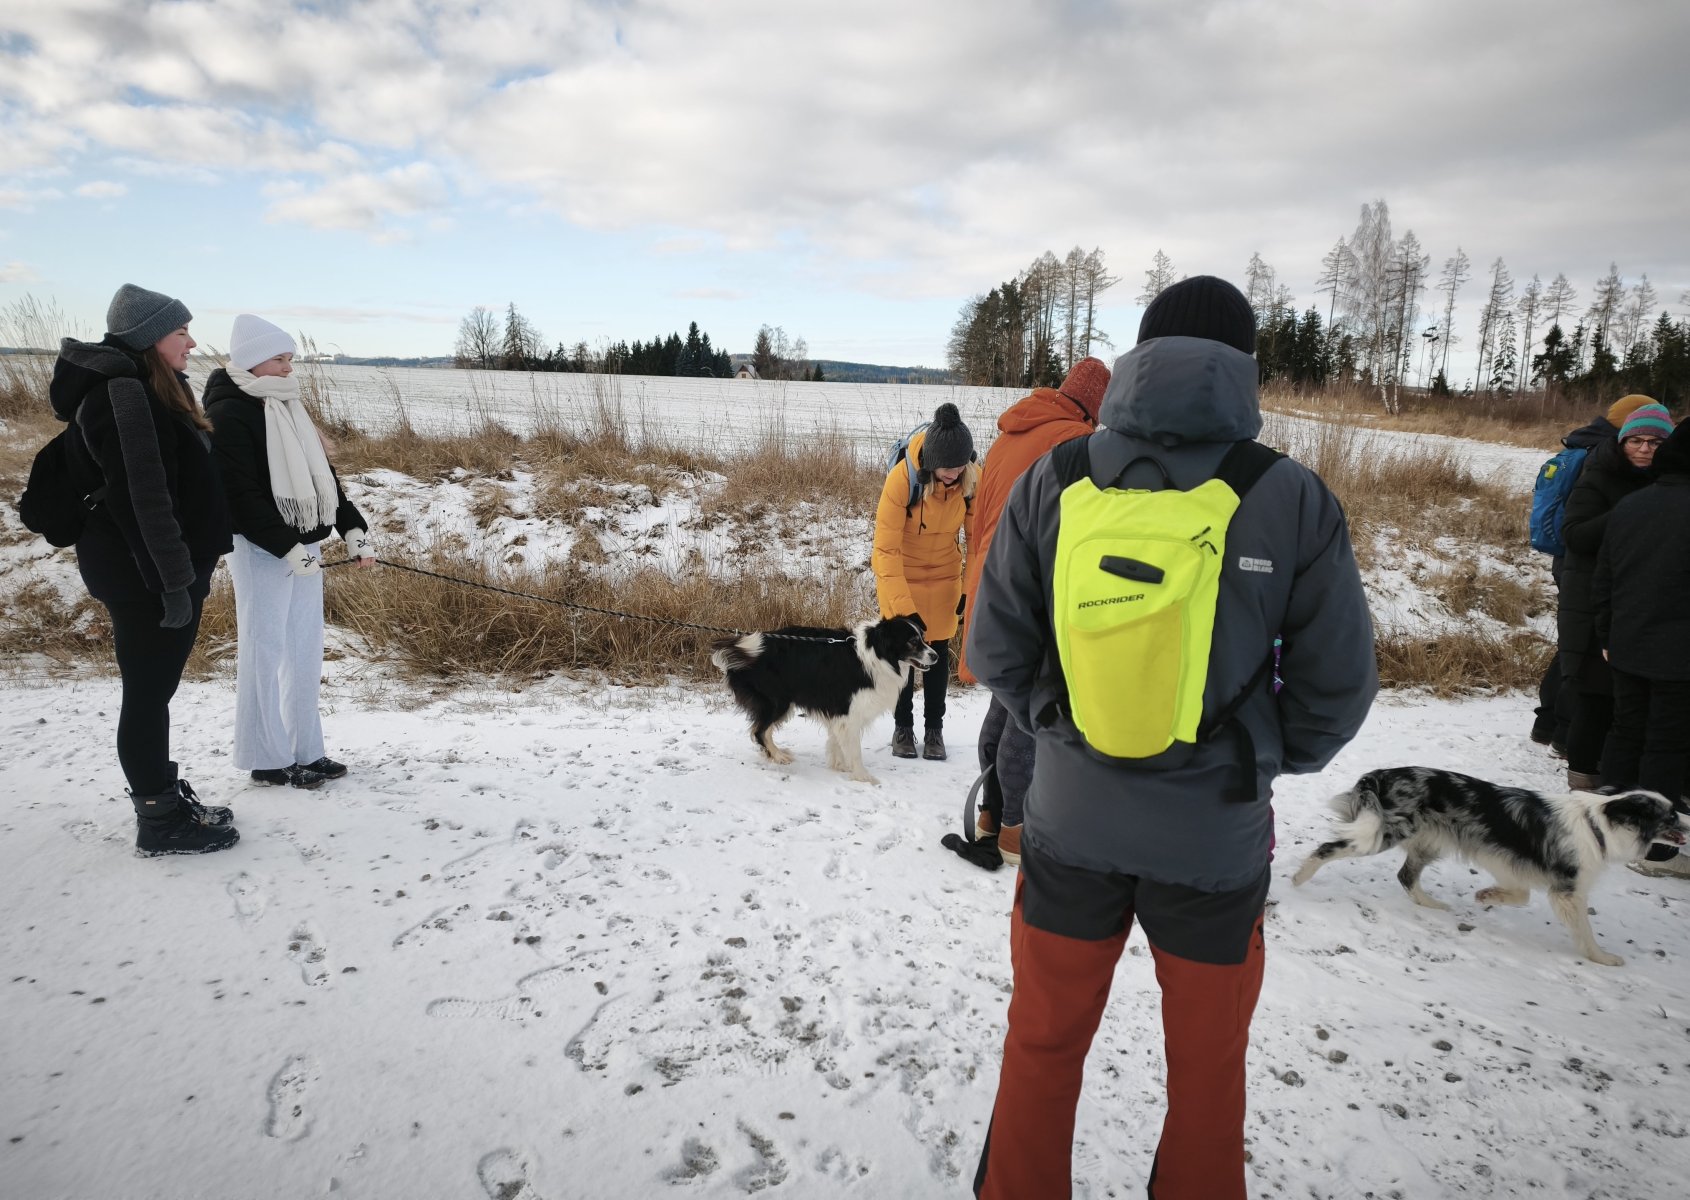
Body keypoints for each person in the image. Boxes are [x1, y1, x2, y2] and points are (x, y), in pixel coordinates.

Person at [966, 276, 1377, 1199]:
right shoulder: (1289, 495)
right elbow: (1337, 690)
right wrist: (1259, 754)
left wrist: (1062, 728)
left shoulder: (1055, 477)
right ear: (1245, 367)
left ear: (1139, 357)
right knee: (1206, 1071)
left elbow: (993, 650)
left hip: (1069, 827)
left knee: (1041, 1043)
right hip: (1215, 844)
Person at [52, 284, 237, 855]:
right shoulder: (124, 395)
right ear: (149, 337)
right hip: (144, 578)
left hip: (153, 570)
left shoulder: (151, 388)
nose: (192, 342)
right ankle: (158, 819)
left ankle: (164, 796)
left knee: (154, 690)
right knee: (147, 695)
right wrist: (172, 583)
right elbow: (144, 500)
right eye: (181, 332)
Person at [205, 315, 375, 790]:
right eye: (279, 359)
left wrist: (352, 529)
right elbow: (240, 495)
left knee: (304, 647)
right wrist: (286, 547)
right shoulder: (229, 412)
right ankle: (266, 757)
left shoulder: (287, 404)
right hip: (261, 548)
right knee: (265, 648)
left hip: (304, 543)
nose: (287, 368)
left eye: (289, 359)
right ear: (251, 361)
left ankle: (306, 749)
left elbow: (325, 479)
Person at [957, 357, 1110, 867]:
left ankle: (989, 813)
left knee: (1003, 703)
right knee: (1030, 714)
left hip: (990, 578)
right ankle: (1013, 830)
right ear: (1096, 407)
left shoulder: (1011, 431)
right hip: (1033, 588)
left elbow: (979, 517)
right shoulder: (1074, 443)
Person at [1531, 394, 1657, 752]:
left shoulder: (1582, 443)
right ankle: (1566, 734)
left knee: (1574, 645)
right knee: (1585, 652)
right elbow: (1582, 523)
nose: (1646, 446)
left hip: (1570, 561)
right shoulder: (1604, 456)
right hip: (1586, 564)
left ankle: (1548, 724)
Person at [1557, 401, 1672, 790]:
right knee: (1595, 696)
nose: (1644, 449)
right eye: (1636, 440)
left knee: (1634, 703)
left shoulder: (1670, 482)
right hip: (1593, 602)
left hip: (1642, 604)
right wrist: (1633, 512)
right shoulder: (1598, 477)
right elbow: (1574, 535)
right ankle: (1583, 785)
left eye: (1655, 442)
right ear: (1622, 442)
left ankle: (1622, 780)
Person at [1593, 417, 1690, 878]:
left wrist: (1607, 635)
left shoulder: (1631, 505)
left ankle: (1607, 825)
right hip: (1678, 653)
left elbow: (1604, 578)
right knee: (1666, 744)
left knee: (1626, 730)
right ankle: (1655, 849)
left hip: (1627, 642)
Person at [873, 401, 977, 760]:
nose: (954, 473)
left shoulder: (970, 480)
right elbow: (885, 550)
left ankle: (935, 730)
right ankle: (902, 728)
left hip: (945, 575)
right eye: (947, 468)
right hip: (902, 575)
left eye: (960, 466)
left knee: (937, 654)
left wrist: (969, 588)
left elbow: (978, 539)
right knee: (903, 655)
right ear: (931, 463)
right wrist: (903, 608)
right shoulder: (902, 480)